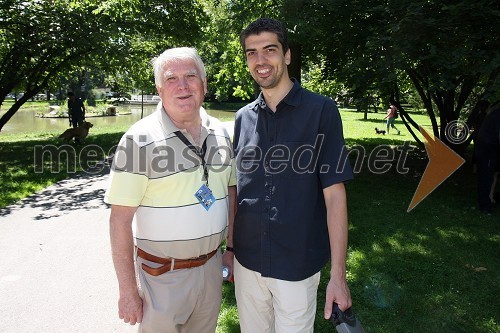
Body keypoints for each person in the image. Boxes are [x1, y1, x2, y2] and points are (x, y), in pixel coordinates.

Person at [227, 18, 354, 332]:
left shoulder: (321, 111)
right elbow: (237, 191)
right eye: (251, 53)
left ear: (286, 55)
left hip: (297, 264)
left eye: (269, 50)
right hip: (247, 263)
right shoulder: (243, 118)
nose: (260, 60)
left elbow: (335, 195)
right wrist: (230, 250)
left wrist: (338, 276)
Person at [104, 47, 236, 332]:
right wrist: (127, 291)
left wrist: (232, 248)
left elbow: (232, 192)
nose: (183, 86)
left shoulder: (222, 133)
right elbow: (120, 220)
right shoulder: (138, 140)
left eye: (191, 76)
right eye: (172, 78)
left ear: (204, 84)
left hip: (211, 270)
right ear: (159, 89)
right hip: (161, 277)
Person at [475, 104, 500, 214]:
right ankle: (485, 206)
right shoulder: (498, 114)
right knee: (486, 176)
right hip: (487, 148)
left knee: (491, 174)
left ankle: (489, 199)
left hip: (491, 147)